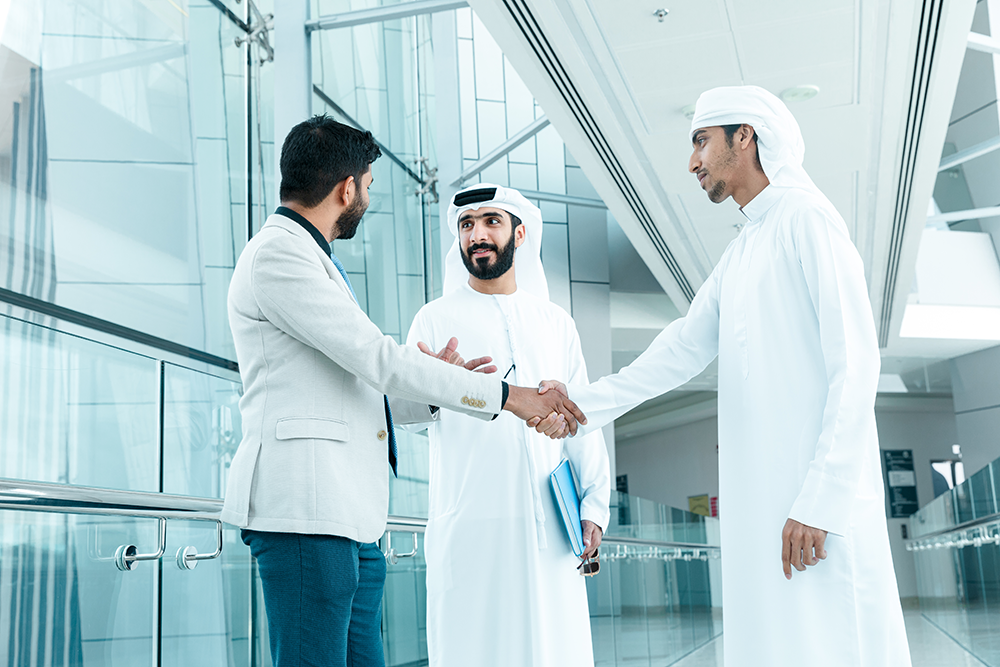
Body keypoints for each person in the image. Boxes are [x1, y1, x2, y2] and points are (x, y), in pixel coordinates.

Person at [532, 86, 912, 666]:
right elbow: (679, 349)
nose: (692, 163)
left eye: (701, 142)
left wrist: (821, 499)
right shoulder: (743, 249)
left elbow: (856, 364)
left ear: (746, 137)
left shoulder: (808, 219)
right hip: (765, 504)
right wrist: (580, 402)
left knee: (834, 643)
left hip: (816, 508)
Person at [219, 116, 586, 667]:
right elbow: (378, 360)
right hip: (304, 514)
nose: (367, 197)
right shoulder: (279, 255)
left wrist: (433, 389)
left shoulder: (314, 260)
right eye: (367, 185)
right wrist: (508, 395)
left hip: (346, 516)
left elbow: (360, 387)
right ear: (347, 187)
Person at [404, 184, 611, 667]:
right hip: (471, 523)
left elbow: (584, 418)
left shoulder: (556, 322)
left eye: (491, 222)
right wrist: (437, 387)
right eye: (467, 225)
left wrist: (594, 507)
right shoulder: (433, 320)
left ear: (519, 233)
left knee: (553, 650)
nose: (478, 234)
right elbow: (402, 413)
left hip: (551, 528)